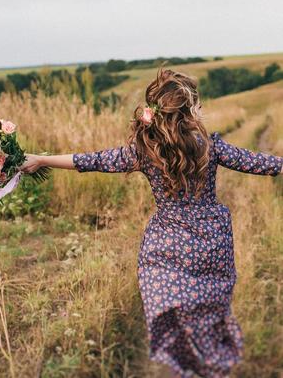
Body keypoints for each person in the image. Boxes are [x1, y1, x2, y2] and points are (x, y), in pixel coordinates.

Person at [20, 68, 283, 378]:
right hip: (212, 245)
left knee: (174, 313)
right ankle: (206, 363)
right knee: (208, 314)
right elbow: (261, 164)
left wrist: (42, 158)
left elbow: (91, 161)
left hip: (167, 248)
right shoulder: (210, 146)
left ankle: (184, 363)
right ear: (191, 109)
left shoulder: (145, 151)